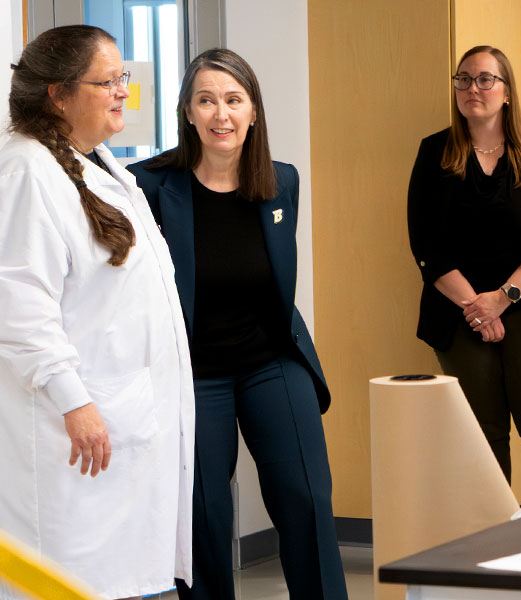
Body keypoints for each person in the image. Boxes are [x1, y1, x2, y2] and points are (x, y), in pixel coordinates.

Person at [128, 48, 347, 600]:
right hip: (193, 374)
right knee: (203, 516)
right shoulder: (148, 187)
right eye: (206, 100)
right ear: (187, 111)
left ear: (253, 111)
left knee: (306, 497)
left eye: (233, 100)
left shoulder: (281, 182)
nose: (220, 114)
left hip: (272, 360)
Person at [0, 25, 194, 600]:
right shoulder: (27, 172)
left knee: (114, 578)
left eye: (123, 79)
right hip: (76, 425)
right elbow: (19, 307)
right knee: (72, 580)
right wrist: (76, 401)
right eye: (107, 82)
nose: (122, 94)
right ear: (58, 94)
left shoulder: (100, 164)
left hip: (116, 418)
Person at [407, 45, 521, 503]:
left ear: (507, 92)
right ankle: (492, 548)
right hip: (460, 314)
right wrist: (476, 307)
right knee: (482, 438)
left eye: (485, 79)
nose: (472, 89)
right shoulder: (434, 152)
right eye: (463, 79)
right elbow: (427, 247)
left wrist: (500, 298)